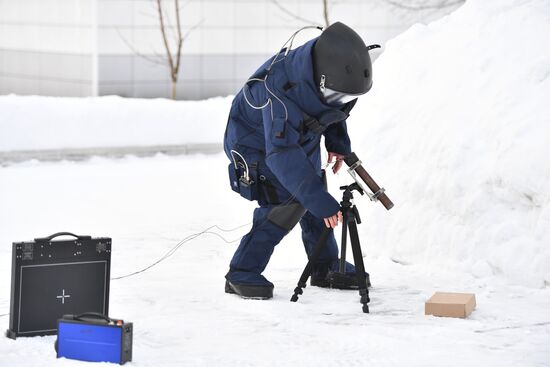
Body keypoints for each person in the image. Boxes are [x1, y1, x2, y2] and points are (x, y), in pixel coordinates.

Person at [223, 22, 379, 299]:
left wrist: (337, 143)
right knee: (288, 201)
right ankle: (241, 272)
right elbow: (282, 155)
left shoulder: (324, 77)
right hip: (257, 144)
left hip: (294, 135)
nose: (342, 100)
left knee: (313, 187)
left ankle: (324, 265)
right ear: (320, 79)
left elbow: (332, 108)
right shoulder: (280, 90)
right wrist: (319, 201)